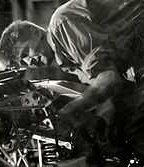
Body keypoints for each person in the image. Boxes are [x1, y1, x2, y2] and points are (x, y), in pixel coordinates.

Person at [47, 0, 144, 165]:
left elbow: (109, 79)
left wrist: (70, 112)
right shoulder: (64, 56)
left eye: (24, 54)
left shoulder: (61, 24)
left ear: (33, 33)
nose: (30, 63)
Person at [0, 20, 79, 81]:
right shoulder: (64, 62)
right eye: (23, 63)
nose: (30, 63)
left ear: (36, 33)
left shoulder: (62, 28)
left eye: (25, 54)